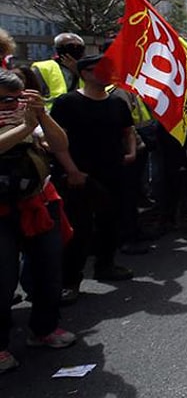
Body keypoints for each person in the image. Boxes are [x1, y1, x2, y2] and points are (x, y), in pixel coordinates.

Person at [0, 72, 77, 373]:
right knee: (3, 279)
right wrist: (24, 128)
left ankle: (44, 328)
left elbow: (59, 143)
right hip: (2, 212)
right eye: (5, 99)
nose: (12, 104)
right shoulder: (22, 124)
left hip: (38, 201)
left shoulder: (29, 118)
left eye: (17, 98)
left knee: (49, 269)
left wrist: (41, 115)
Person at [50, 55, 136, 303]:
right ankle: (70, 281)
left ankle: (106, 265)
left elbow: (128, 131)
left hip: (113, 173)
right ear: (85, 73)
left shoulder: (117, 103)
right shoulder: (67, 103)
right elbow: (56, 141)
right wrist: (71, 171)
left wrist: (131, 152)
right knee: (79, 230)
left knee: (110, 222)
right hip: (80, 177)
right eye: (99, 69)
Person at [32, 33, 86, 108]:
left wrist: (78, 71)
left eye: (79, 47)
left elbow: (97, 90)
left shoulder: (88, 70)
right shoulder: (43, 68)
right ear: (59, 49)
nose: (75, 50)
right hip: (51, 112)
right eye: (70, 47)